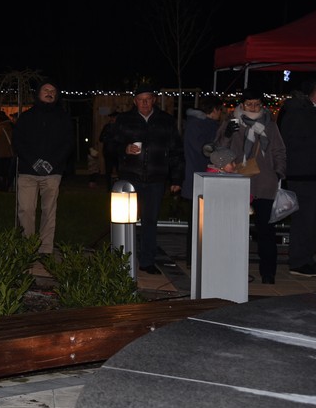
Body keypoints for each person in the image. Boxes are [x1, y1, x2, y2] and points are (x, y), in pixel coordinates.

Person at [104, 84, 184, 275]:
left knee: (150, 220)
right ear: (135, 101)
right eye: (141, 99)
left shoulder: (166, 121)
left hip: (156, 179)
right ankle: (122, 259)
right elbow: (109, 146)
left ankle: (147, 261)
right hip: (130, 178)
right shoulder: (124, 120)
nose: (145, 103)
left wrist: (176, 179)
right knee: (125, 220)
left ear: (154, 100)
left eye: (148, 99)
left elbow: (176, 151)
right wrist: (124, 149)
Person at [216, 88, 287, 284]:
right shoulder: (232, 122)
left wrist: (278, 173)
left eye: (257, 104)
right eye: (249, 104)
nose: (253, 108)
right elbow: (218, 150)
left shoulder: (270, 125)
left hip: (264, 183)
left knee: (266, 230)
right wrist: (227, 135)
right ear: (242, 104)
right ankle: (232, 269)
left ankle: (268, 273)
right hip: (238, 182)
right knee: (234, 229)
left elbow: (279, 151)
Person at [13, 79, 74, 256]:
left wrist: (52, 163)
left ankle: (45, 248)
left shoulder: (63, 118)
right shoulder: (26, 117)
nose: (50, 93)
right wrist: (34, 161)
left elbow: (68, 143)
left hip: (52, 173)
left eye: (53, 91)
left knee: (49, 211)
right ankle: (28, 247)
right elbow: (18, 142)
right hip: (28, 172)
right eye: (46, 90)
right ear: (38, 93)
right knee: (26, 210)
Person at [278, 79, 316, 278]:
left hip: (315, 176)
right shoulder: (298, 113)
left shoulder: (315, 114)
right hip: (302, 176)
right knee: (304, 221)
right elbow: (289, 143)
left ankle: (307, 259)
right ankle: (298, 261)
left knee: (315, 222)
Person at [181, 94, 224, 265]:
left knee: (200, 223)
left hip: (199, 179)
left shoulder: (197, 124)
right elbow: (206, 151)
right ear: (214, 110)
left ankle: (197, 259)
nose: (220, 114)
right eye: (220, 110)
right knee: (198, 224)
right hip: (200, 180)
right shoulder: (201, 125)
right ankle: (195, 260)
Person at [98, 111, 119, 187]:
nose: (112, 119)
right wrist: (109, 138)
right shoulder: (107, 127)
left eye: (114, 117)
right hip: (108, 152)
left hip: (118, 153)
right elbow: (101, 138)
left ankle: (119, 186)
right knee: (108, 170)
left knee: (119, 170)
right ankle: (109, 187)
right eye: (111, 117)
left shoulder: (120, 127)